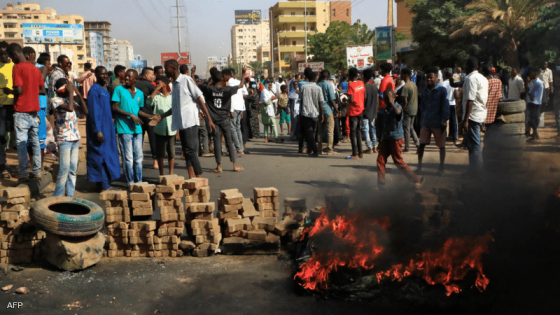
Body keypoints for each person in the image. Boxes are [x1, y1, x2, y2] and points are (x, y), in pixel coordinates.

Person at [152, 60, 214, 179]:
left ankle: (199, 177)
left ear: (174, 68)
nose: (165, 71)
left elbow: (199, 98)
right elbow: (175, 107)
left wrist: (209, 119)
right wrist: (162, 116)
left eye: (166, 68)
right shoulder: (174, 85)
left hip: (190, 121)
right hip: (182, 123)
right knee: (186, 151)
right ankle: (191, 177)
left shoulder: (186, 80)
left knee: (190, 151)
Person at [6, 43, 45, 182]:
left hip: (21, 109)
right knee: (35, 142)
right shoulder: (35, 69)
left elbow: (19, 90)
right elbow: (43, 90)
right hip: (34, 111)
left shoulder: (17, 67)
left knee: (21, 143)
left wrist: (11, 91)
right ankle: (37, 171)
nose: (11, 59)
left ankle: (22, 174)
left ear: (15, 54)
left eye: (11, 56)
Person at [197, 67, 246, 173]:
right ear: (222, 79)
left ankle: (219, 166)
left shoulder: (208, 89)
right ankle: (235, 164)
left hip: (214, 120)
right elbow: (241, 85)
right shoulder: (227, 90)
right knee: (229, 141)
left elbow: (196, 85)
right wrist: (243, 74)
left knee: (217, 142)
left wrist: (193, 74)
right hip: (225, 119)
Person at [112, 69, 153, 186]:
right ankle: (130, 182)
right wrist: (130, 115)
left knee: (138, 157)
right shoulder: (119, 89)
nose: (126, 79)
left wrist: (150, 116)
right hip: (124, 128)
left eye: (129, 77)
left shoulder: (140, 93)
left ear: (135, 79)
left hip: (137, 129)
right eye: (125, 77)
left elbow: (138, 111)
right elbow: (115, 107)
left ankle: (139, 182)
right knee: (128, 157)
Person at [376, 88, 423, 188]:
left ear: (394, 97)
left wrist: (392, 102)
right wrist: (380, 140)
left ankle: (416, 178)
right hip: (386, 138)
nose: (386, 100)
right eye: (385, 98)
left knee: (397, 160)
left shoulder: (397, 107)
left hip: (396, 138)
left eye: (388, 98)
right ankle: (381, 184)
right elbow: (382, 125)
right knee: (380, 159)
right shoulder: (385, 109)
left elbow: (398, 113)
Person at [86, 66, 121, 192]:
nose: (105, 76)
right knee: (100, 156)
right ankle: (104, 185)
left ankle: (102, 182)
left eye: (106, 74)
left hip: (108, 127)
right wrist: (97, 130)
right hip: (99, 128)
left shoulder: (104, 89)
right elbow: (94, 111)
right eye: (102, 74)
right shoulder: (94, 90)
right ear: (96, 75)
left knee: (108, 154)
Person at [51, 79, 87, 196]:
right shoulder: (56, 100)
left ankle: (69, 196)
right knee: (64, 170)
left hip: (75, 138)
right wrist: (71, 93)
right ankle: (57, 197)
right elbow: (70, 108)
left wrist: (79, 95)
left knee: (73, 170)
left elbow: (85, 111)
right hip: (64, 139)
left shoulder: (69, 99)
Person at [417, 68, 450, 176]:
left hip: (438, 123)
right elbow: (422, 106)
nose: (429, 79)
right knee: (421, 145)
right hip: (425, 123)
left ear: (436, 77)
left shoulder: (442, 90)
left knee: (441, 146)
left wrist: (444, 121)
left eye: (431, 77)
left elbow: (445, 107)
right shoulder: (424, 91)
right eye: (428, 78)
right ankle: (420, 166)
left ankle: (441, 168)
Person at [461, 57, 489, 174]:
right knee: (471, 145)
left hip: (472, 116)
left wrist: (466, 120)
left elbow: (470, 100)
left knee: (475, 146)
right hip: (480, 113)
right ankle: (473, 170)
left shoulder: (470, 79)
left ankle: (478, 173)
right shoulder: (483, 78)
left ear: (467, 66)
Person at [149, 76, 175, 176]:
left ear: (165, 84)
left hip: (171, 128)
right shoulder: (156, 96)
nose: (157, 85)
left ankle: (171, 173)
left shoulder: (172, 97)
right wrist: (155, 89)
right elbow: (149, 102)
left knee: (171, 153)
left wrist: (177, 131)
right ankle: (162, 174)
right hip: (159, 129)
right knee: (160, 154)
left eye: (158, 83)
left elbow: (175, 112)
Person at [135, 67, 158, 169]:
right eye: (152, 75)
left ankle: (138, 159)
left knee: (139, 138)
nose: (154, 76)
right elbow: (155, 101)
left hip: (137, 115)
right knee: (153, 139)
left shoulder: (134, 84)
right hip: (149, 115)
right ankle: (155, 162)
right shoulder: (151, 86)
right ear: (147, 75)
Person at [299, 68, 324, 157]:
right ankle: (310, 149)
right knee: (312, 132)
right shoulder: (318, 88)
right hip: (315, 113)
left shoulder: (303, 87)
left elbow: (301, 100)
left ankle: (314, 150)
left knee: (309, 132)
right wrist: (322, 114)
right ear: (315, 78)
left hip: (306, 112)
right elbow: (321, 102)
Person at [223, 68, 247, 155]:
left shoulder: (230, 82)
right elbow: (241, 95)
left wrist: (231, 110)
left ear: (228, 75)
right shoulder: (238, 82)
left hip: (235, 108)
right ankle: (241, 148)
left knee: (233, 129)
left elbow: (231, 96)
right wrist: (243, 109)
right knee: (238, 128)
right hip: (240, 107)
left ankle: (239, 149)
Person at [0, 41, 15, 178]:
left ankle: (23, 167)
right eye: (1, 54)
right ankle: (2, 165)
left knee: (18, 138)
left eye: (5, 53)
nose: (3, 56)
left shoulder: (14, 66)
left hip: (14, 106)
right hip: (1, 107)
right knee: (2, 136)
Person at [317, 70, 337, 155]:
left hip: (319, 110)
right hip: (328, 109)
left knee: (320, 131)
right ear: (328, 76)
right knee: (330, 131)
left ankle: (319, 149)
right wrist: (336, 109)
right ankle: (329, 149)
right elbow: (332, 98)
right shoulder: (328, 84)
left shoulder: (317, 85)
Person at [399, 68, 420, 152]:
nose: (400, 76)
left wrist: (402, 110)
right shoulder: (414, 85)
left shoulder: (406, 86)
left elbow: (405, 101)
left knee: (407, 129)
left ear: (405, 75)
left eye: (401, 74)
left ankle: (407, 147)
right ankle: (418, 144)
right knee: (411, 128)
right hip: (414, 109)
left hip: (408, 110)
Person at [347, 68, 365, 159]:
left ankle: (355, 153)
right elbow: (364, 95)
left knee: (353, 133)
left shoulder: (350, 85)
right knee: (358, 132)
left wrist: (346, 100)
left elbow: (351, 99)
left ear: (350, 75)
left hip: (353, 111)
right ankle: (361, 152)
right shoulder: (361, 83)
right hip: (361, 110)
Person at [441, 70, 460, 146]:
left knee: (444, 121)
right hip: (452, 103)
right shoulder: (454, 82)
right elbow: (456, 94)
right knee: (454, 121)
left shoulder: (443, 84)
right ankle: (455, 137)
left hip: (445, 104)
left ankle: (444, 137)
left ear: (445, 76)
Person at [526, 67, 545, 143]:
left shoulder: (537, 83)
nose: (530, 74)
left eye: (531, 73)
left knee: (531, 120)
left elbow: (529, 92)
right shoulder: (533, 81)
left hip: (535, 103)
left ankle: (536, 135)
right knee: (534, 119)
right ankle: (534, 136)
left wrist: (527, 82)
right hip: (533, 102)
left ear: (535, 74)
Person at [377, 63, 395, 141]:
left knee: (381, 128)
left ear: (384, 70)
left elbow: (381, 94)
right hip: (389, 105)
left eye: (381, 70)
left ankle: (381, 144)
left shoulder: (384, 80)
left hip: (383, 106)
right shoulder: (391, 79)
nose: (380, 71)